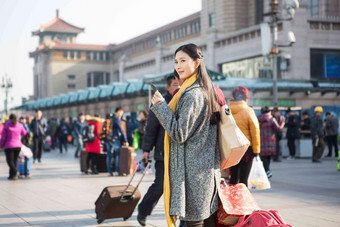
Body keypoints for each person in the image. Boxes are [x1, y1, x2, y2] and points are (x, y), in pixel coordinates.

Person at [151, 43, 220, 226]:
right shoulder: (205, 89)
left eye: (183, 60)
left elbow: (179, 133)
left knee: (195, 223)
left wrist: (160, 106)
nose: (178, 66)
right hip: (204, 171)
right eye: (176, 62)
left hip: (193, 174)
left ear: (196, 63)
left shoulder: (192, 94)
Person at [137, 75, 180, 226]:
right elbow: (150, 129)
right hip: (163, 153)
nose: (178, 86)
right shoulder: (160, 102)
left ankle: (182, 221)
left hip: (179, 154)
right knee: (160, 185)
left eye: (179, 83)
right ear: (168, 87)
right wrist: (147, 150)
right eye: (175, 84)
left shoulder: (183, 100)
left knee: (179, 189)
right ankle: (143, 210)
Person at [229, 86, 261, 185]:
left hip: (231, 149)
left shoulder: (227, 110)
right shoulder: (248, 110)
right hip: (246, 150)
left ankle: (232, 199)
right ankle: (242, 199)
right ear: (246, 98)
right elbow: (255, 131)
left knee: (233, 179)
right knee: (243, 180)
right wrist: (256, 151)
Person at [258, 106, 285, 178]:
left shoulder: (258, 119)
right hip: (270, 142)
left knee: (263, 157)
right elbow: (279, 129)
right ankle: (267, 171)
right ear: (269, 112)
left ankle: (267, 171)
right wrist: (282, 123)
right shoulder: (272, 119)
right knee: (268, 156)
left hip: (261, 141)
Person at [0, 114, 27, 180]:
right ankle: (12, 175)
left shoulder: (6, 126)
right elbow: (25, 133)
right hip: (18, 146)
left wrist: (1, 145)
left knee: (9, 161)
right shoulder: (20, 125)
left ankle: (15, 171)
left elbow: (3, 137)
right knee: (14, 161)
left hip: (9, 146)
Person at [107, 107, 129, 176]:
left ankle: (109, 171)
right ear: (119, 111)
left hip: (108, 139)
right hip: (115, 139)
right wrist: (126, 140)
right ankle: (116, 170)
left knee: (109, 155)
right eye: (122, 112)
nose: (122, 114)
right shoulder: (116, 118)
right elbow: (121, 130)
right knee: (117, 155)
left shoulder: (110, 118)